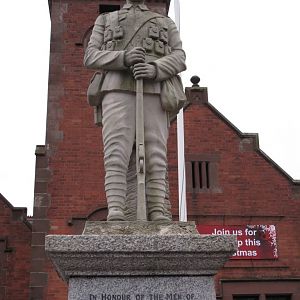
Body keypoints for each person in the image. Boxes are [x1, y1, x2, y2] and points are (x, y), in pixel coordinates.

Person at [84, 0, 186, 221]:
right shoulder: (105, 19)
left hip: (154, 89)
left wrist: (155, 68)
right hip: (115, 88)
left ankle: (157, 211)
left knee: (155, 154)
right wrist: (122, 58)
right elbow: (90, 56)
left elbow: (179, 56)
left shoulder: (164, 22)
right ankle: (117, 211)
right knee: (115, 153)